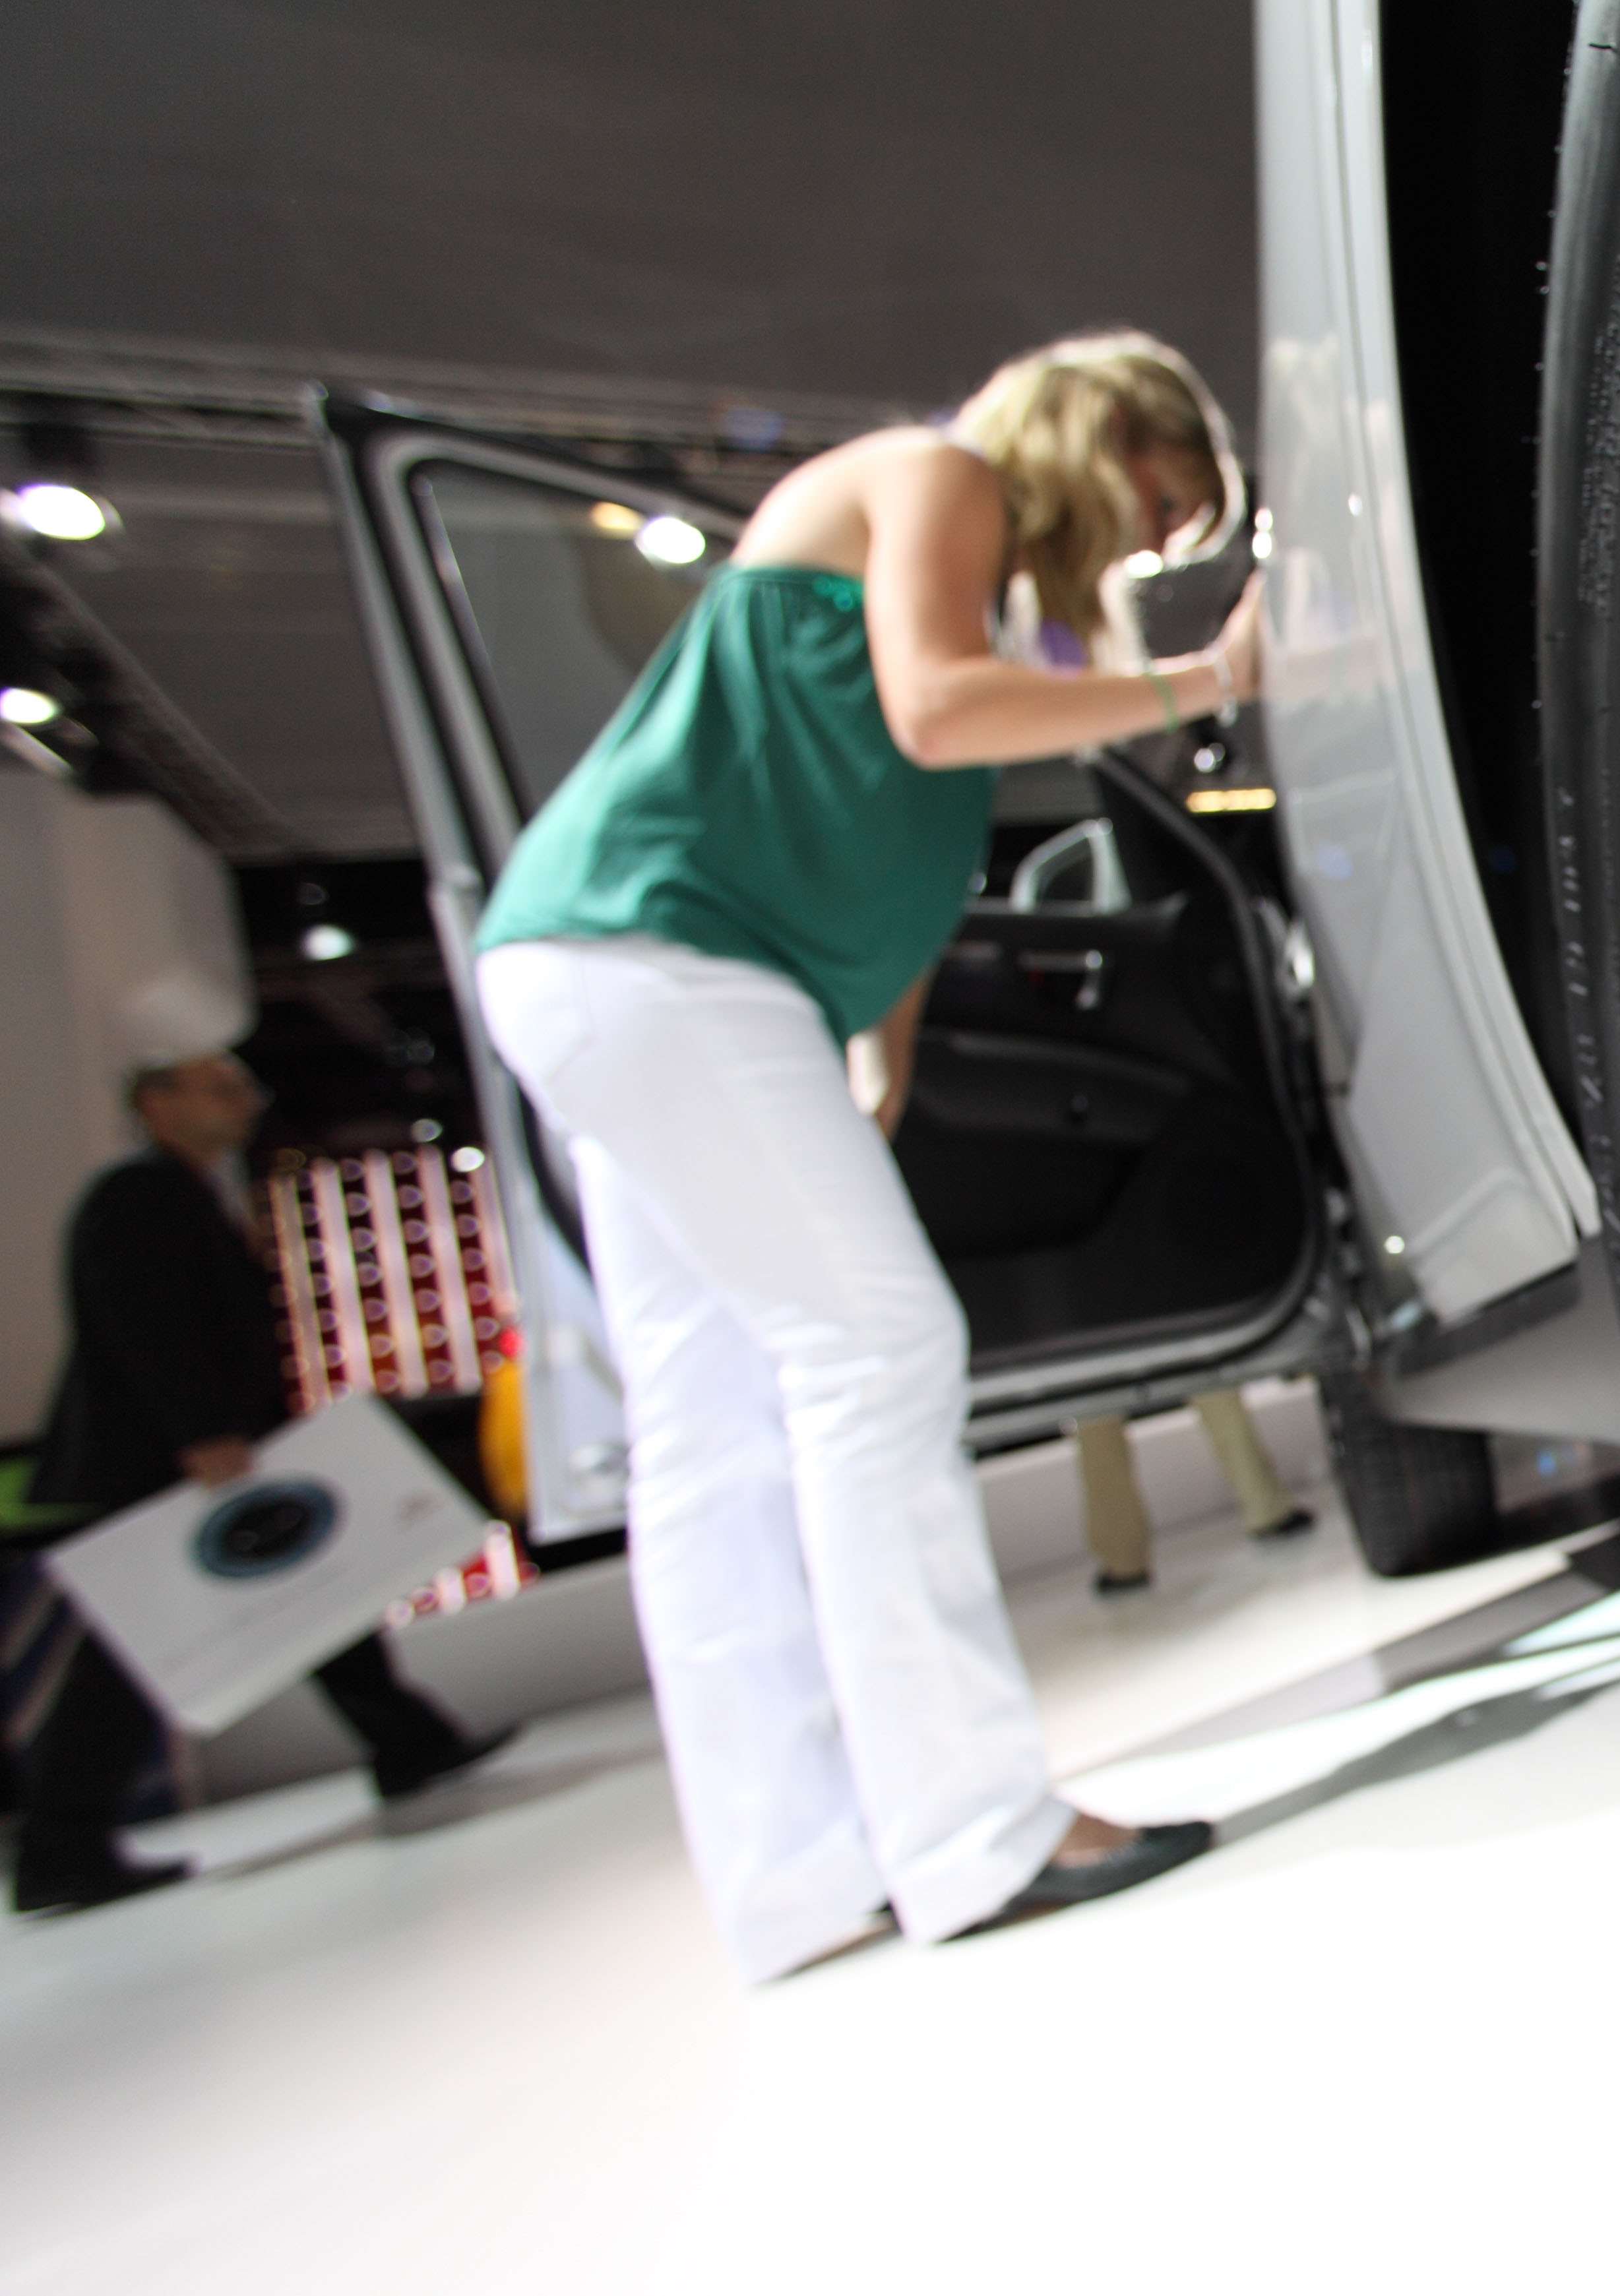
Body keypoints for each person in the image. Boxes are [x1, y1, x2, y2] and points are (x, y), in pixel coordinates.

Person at [470, 330, 1259, 1981]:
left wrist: (873, 1055)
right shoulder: (936, 475)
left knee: (713, 1429)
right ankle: (978, 1834)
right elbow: (932, 710)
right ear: (1099, 427)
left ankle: (797, 1878)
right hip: (668, 959)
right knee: (874, 1348)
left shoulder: (954, 566)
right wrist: (1207, 681)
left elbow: (876, 811)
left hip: (615, 963)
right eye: (1155, 497)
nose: (1137, 547)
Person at [16, 1051, 511, 1914]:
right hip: (170, 1464)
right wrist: (200, 1431)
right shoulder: (136, 1194)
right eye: (220, 1087)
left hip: (209, 1453)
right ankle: (58, 1843)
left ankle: (410, 1742)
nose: (244, 1101)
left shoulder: (180, 1191)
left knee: (319, 1592)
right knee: (130, 1656)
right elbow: (144, 1322)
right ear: (157, 1101)